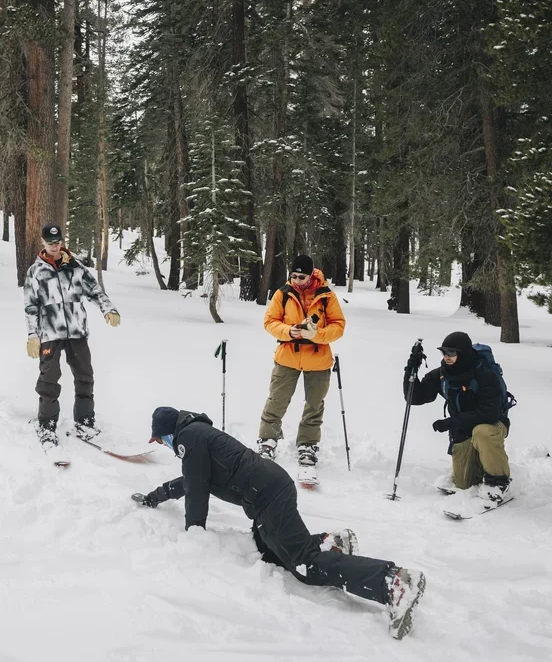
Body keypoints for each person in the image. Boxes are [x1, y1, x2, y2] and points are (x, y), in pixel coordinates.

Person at [139, 407, 426, 640]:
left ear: (167, 433)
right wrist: (156, 497)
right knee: (270, 553)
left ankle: (393, 582)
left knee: (304, 564)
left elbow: (197, 488)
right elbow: (191, 481)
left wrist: (194, 533)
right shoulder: (196, 433)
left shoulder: (188, 438)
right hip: (266, 490)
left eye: (160, 440)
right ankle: (330, 542)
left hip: (266, 494)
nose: (163, 445)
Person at [23, 224, 120, 450]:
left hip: (76, 332)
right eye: (50, 242)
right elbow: (30, 306)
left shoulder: (76, 268)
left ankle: (84, 423)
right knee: (49, 380)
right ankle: (46, 426)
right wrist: (32, 336)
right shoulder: (35, 272)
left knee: (85, 376)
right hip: (50, 333)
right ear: (42, 242)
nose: (55, 247)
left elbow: (95, 291)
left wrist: (109, 309)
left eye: (58, 242)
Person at [257, 254, 345, 473]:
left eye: (301, 276)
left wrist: (317, 334)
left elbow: (339, 326)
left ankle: (307, 444)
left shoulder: (326, 296)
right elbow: (269, 322)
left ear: (311, 274)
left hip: (318, 359)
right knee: (277, 400)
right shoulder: (283, 294)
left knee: (314, 405)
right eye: (293, 275)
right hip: (287, 356)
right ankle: (268, 439)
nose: (297, 280)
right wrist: (289, 331)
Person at [403, 332, 512, 504]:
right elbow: (414, 397)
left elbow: (488, 414)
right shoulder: (443, 375)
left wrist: (451, 422)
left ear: (463, 354)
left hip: (493, 426)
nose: (447, 357)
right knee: (463, 483)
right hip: (463, 430)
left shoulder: (484, 375)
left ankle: (498, 482)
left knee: (482, 432)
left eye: (451, 353)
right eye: (444, 352)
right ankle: (482, 467)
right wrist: (411, 368)